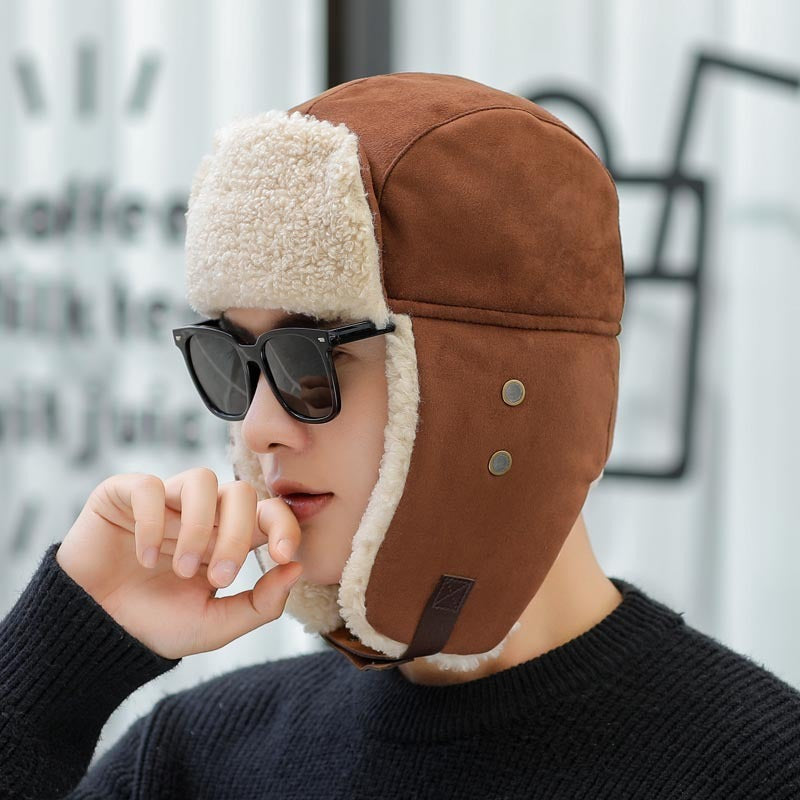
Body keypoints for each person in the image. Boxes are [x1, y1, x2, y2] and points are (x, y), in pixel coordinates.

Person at [3, 72, 800, 799]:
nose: (259, 426)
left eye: (311, 359)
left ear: (499, 386)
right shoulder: (194, 760)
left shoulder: (759, 772)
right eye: (231, 358)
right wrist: (56, 665)